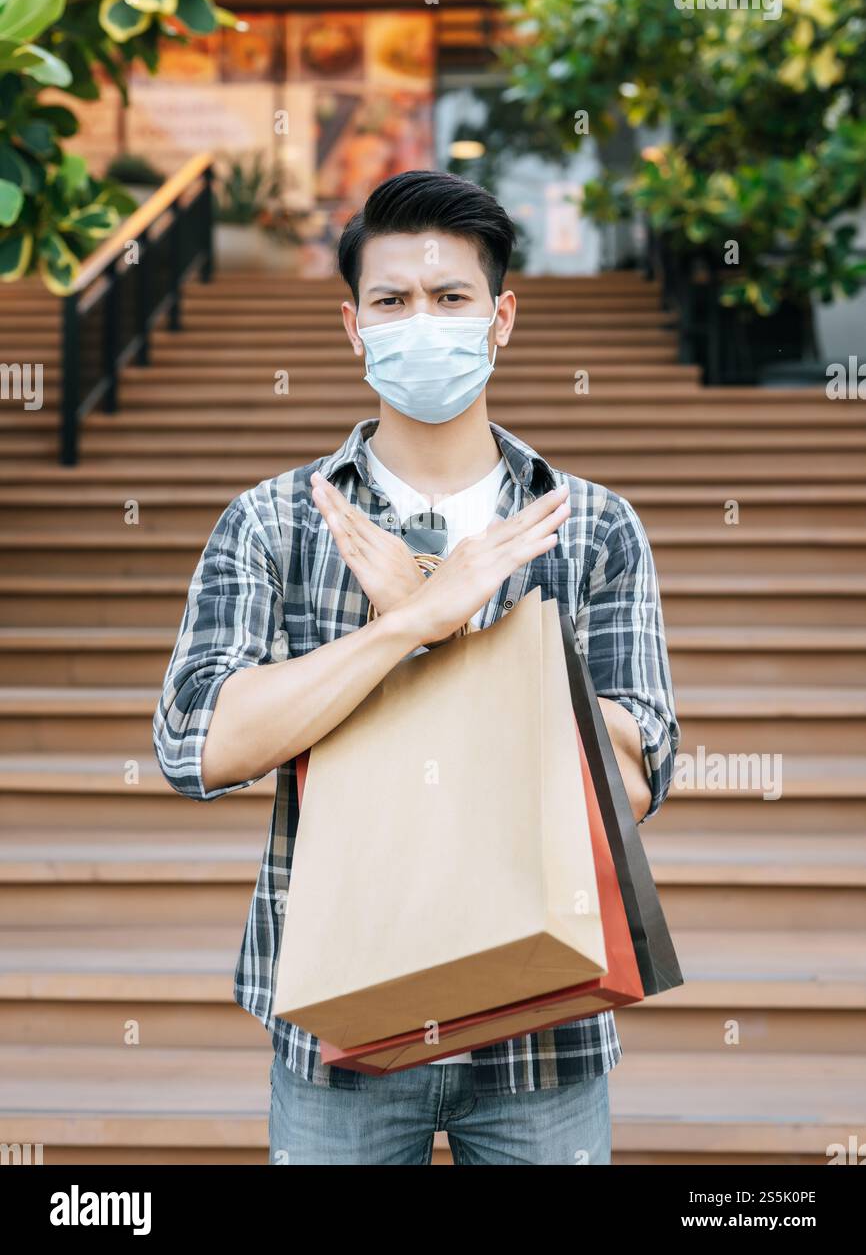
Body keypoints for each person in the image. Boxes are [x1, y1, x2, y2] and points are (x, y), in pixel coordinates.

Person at [153, 169, 679, 1166]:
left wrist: (464, 623)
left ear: (500, 318)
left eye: (450, 299)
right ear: (353, 327)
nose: (421, 322)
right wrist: (401, 627)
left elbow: (637, 773)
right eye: (392, 301)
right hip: (339, 1022)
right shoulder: (272, 522)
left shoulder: (592, 526)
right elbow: (197, 744)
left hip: (544, 1026)